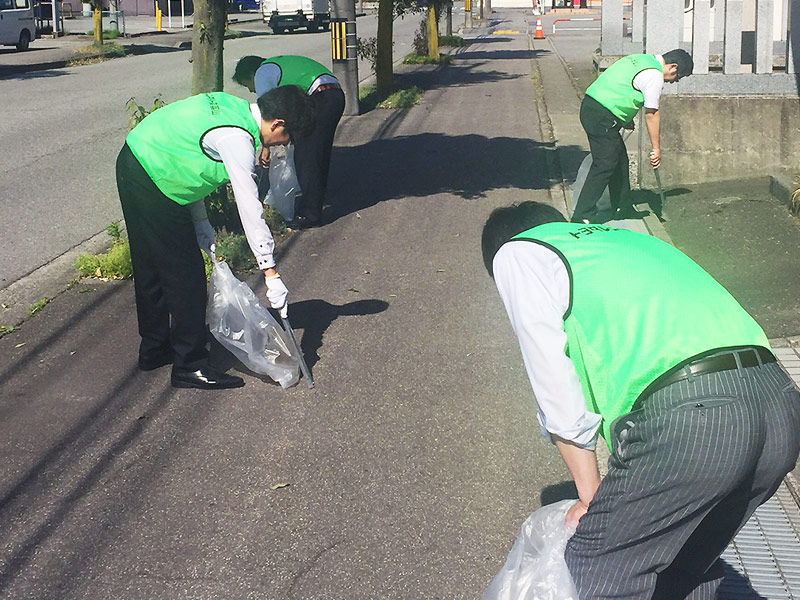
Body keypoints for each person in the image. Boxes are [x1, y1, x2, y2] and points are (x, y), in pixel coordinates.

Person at [481, 201, 800, 599]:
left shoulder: (517, 251)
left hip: (696, 416)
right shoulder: (629, 239)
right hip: (780, 403)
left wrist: (590, 498)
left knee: (593, 573)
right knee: (683, 572)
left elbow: (554, 386)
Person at [117, 87, 315, 390]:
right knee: (186, 277)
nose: (285, 143)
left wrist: (201, 222)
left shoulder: (232, 107)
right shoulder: (237, 140)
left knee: (151, 266)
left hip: (136, 159)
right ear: (277, 124)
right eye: (288, 135)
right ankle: (190, 365)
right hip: (154, 176)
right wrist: (270, 271)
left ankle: (154, 349)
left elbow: (185, 156)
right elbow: (250, 208)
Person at [572, 49, 693, 223]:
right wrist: (656, 148)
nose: (674, 81)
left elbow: (621, 84)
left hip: (593, 107)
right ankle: (582, 215)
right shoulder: (654, 75)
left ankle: (623, 207)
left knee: (620, 161)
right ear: (673, 66)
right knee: (604, 164)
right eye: (678, 77)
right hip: (602, 117)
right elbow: (652, 114)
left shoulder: (640, 59)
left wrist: (624, 117)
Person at [233, 55, 345, 229]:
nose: (250, 90)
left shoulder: (262, 73)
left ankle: (310, 215)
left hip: (320, 97)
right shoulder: (278, 64)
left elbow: (268, 115)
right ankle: (313, 203)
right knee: (317, 154)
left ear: (251, 74)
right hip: (334, 95)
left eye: (247, 85)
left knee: (306, 156)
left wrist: (266, 148)